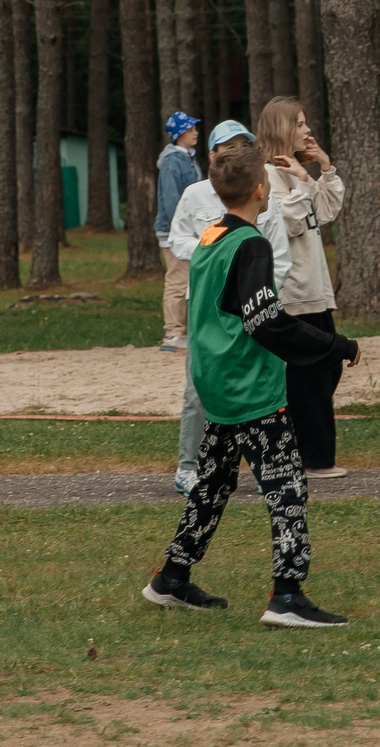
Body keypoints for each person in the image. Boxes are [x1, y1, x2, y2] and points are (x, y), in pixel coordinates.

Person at [144, 143, 362, 628]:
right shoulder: (252, 244)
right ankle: (287, 595)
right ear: (261, 189)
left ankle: (171, 577)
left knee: (214, 484)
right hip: (249, 388)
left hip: (215, 383)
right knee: (288, 488)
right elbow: (266, 321)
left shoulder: (210, 237)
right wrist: (334, 345)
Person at [164, 120, 293, 496]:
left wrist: (259, 296)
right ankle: (189, 467)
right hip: (206, 306)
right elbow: (178, 240)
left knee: (261, 384)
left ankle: (264, 464)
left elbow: (279, 259)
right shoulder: (194, 195)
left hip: (253, 309)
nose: (236, 152)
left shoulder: (263, 192)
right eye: (228, 146)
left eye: (243, 145)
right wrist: (216, 258)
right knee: (198, 389)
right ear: (213, 155)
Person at [255, 97, 349, 478]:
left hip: (314, 287)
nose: (307, 130)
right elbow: (289, 221)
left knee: (327, 367)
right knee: (310, 375)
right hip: (292, 291)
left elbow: (325, 211)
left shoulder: (293, 172)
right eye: (300, 124)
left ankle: (297, 449)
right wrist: (300, 179)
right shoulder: (265, 174)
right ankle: (315, 460)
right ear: (281, 129)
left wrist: (321, 168)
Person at [155, 112, 203, 351]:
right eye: (191, 129)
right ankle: (173, 333)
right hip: (175, 232)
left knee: (188, 281)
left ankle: (184, 331)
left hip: (189, 232)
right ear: (180, 134)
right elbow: (173, 201)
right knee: (177, 281)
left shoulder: (188, 158)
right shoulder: (173, 162)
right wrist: (183, 230)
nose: (196, 132)